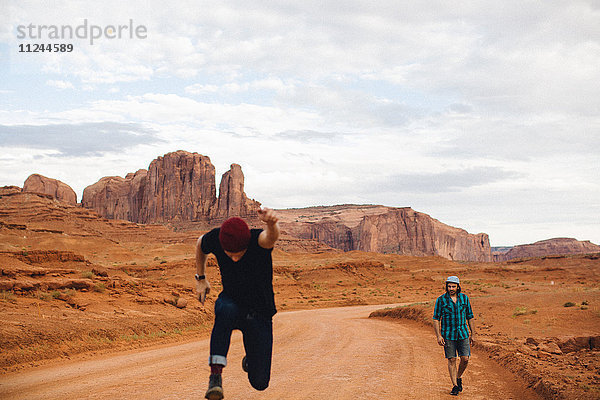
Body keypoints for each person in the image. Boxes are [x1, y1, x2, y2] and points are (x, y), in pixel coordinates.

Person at [195, 208, 280, 400]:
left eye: (238, 254)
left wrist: (271, 223)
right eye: (229, 254)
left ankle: (252, 358)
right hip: (232, 302)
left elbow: (271, 237)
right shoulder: (217, 238)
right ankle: (215, 377)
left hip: (259, 311)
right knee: (224, 308)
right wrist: (201, 278)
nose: (233, 258)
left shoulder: (257, 241)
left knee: (260, 383)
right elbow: (200, 244)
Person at [433, 276, 475, 396]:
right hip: (448, 334)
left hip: (463, 333)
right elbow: (436, 319)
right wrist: (438, 336)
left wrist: (473, 334)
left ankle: (458, 377)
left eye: (453, 286)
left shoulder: (464, 299)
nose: (451, 288)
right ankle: (455, 386)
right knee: (451, 359)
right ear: (447, 287)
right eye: (449, 286)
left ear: (458, 287)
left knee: (465, 359)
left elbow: (470, 317)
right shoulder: (441, 300)